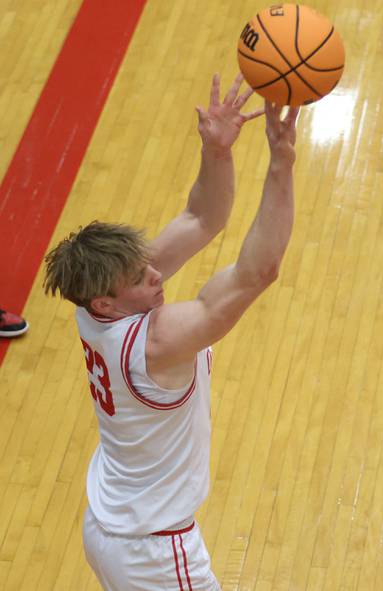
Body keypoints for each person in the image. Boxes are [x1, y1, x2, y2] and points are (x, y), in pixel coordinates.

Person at [43, 73, 300, 590]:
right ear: (107, 300)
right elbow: (258, 272)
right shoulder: (155, 344)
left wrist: (217, 152)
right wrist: (280, 164)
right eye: (141, 278)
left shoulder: (94, 307)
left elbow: (201, 217)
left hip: (112, 521)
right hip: (153, 550)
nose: (157, 275)